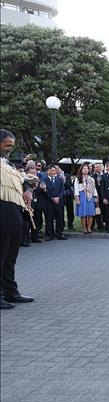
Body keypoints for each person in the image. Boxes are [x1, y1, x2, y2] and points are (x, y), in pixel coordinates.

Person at [0, 129, 34, 309]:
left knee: (10, 258)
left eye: (12, 145)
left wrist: (28, 189)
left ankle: (10, 291)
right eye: (7, 145)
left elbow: (23, 179)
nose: (10, 148)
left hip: (14, 214)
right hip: (2, 214)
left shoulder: (8, 164)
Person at [43, 164, 67, 241]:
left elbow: (62, 190)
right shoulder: (44, 180)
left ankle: (59, 233)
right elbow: (45, 191)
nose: (53, 172)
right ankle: (50, 234)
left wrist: (58, 198)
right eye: (52, 170)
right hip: (49, 202)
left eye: (54, 170)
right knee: (49, 219)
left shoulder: (59, 180)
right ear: (47, 171)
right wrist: (52, 198)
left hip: (59, 202)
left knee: (59, 218)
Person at [73, 164, 98, 234]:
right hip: (82, 196)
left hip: (90, 196)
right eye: (84, 169)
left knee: (90, 213)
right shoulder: (78, 178)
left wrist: (96, 196)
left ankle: (89, 228)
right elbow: (76, 189)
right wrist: (77, 199)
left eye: (87, 169)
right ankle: (84, 228)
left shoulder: (91, 179)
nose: (86, 170)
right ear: (81, 170)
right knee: (83, 213)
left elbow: (94, 188)